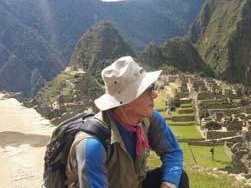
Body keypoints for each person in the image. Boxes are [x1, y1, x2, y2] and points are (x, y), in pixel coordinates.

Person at [65, 56, 189, 188]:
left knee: (179, 178)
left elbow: (172, 152)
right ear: (125, 103)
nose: (155, 95)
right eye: (147, 90)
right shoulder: (92, 145)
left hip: (135, 184)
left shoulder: (150, 119)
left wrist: (168, 184)